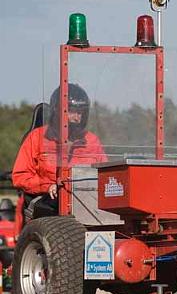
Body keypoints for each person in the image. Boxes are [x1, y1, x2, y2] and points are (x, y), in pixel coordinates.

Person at [12, 84, 107, 219]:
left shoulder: (91, 141)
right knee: (57, 206)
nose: (77, 117)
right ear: (58, 111)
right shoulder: (37, 137)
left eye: (81, 112)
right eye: (72, 111)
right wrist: (48, 186)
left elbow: (105, 175)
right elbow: (20, 176)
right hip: (47, 201)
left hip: (86, 202)